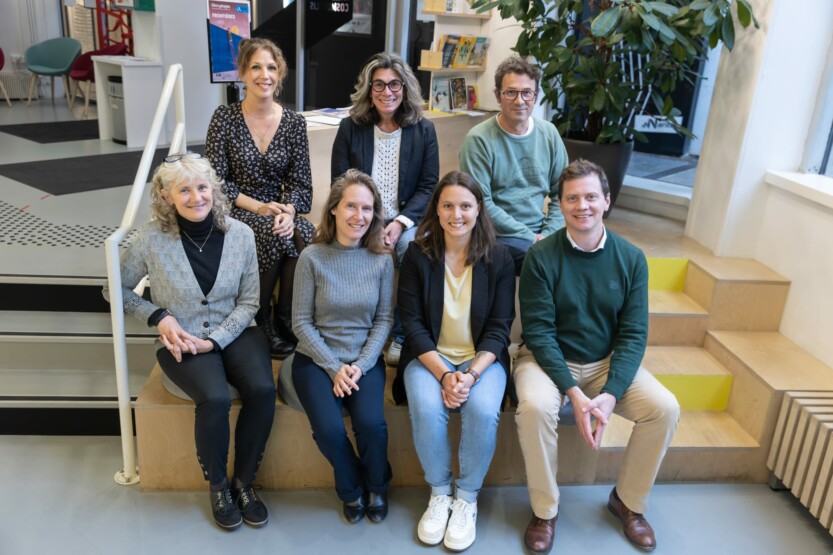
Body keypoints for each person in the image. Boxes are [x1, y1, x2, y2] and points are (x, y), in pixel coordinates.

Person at [514, 159, 680, 553]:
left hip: (606, 361)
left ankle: (628, 501)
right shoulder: (540, 257)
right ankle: (546, 510)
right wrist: (572, 390)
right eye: (572, 198)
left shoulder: (631, 258)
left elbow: (634, 333)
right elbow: (538, 333)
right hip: (546, 359)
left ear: (607, 201)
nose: (582, 206)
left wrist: (611, 391)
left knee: (665, 408)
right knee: (535, 407)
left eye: (591, 196)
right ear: (560, 204)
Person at [103, 154, 275, 531]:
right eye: (184, 189)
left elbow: (249, 302)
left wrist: (215, 341)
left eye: (202, 187)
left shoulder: (241, 234)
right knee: (213, 397)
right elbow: (113, 289)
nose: (196, 197)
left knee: (262, 389)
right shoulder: (150, 239)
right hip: (181, 338)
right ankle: (218, 486)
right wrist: (158, 317)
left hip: (235, 331)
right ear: (166, 196)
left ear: (213, 189)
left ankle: (244, 483)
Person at [395, 171, 515, 551]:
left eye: (465, 205)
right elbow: (411, 325)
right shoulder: (418, 253)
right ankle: (439, 493)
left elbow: (499, 328)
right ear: (437, 209)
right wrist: (446, 375)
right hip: (430, 358)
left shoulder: (499, 258)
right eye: (447, 205)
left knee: (482, 410)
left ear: (479, 209)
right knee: (428, 409)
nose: (456, 214)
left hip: (482, 361)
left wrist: (470, 375)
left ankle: (466, 499)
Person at [282, 169, 394, 524]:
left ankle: (377, 484)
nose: (358, 216)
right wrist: (333, 367)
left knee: (371, 425)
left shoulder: (382, 260)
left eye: (367, 209)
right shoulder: (312, 258)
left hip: (365, 359)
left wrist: (360, 365)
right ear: (333, 209)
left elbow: (384, 321)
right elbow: (300, 323)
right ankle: (351, 488)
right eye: (350, 206)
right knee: (329, 430)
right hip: (316, 360)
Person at [205, 37, 314, 357]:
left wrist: (288, 211)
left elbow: (302, 183)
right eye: (255, 67)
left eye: (271, 67)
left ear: (279, 74)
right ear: (242, 73)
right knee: (271, 234)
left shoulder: (294, 123)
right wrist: (260, 208)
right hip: (236, 207)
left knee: (304, 231)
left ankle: (286, 316)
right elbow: (215, 182)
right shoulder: (224, 118)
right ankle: (260, 317)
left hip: (278, 208)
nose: (263, 74)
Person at [331, 52, 439, 366]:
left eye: (394, 84)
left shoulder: (423, 130)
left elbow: (429, 185)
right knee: (352, 247)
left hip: (406, 221)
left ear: (405, 89)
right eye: (378, 85)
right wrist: (372, 223)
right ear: (368, 90)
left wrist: (401, 223)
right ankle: (356, 332)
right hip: (361, 216)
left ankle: (402, 334)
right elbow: (340, 183)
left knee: (413, 249)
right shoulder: (351, 127)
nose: (386, 92)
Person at [459, 55, 569, 276]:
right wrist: (532, 238)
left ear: (535, 96)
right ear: (498, 96)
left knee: (590, 252)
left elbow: (564, 192)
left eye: (526, 93)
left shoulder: (549, 133)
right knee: (543, 260)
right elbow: (482, 204)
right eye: (511, 92)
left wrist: (549, 232)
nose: (519, 101)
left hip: (540, 231)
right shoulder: (479, 139)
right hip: (497, 234)